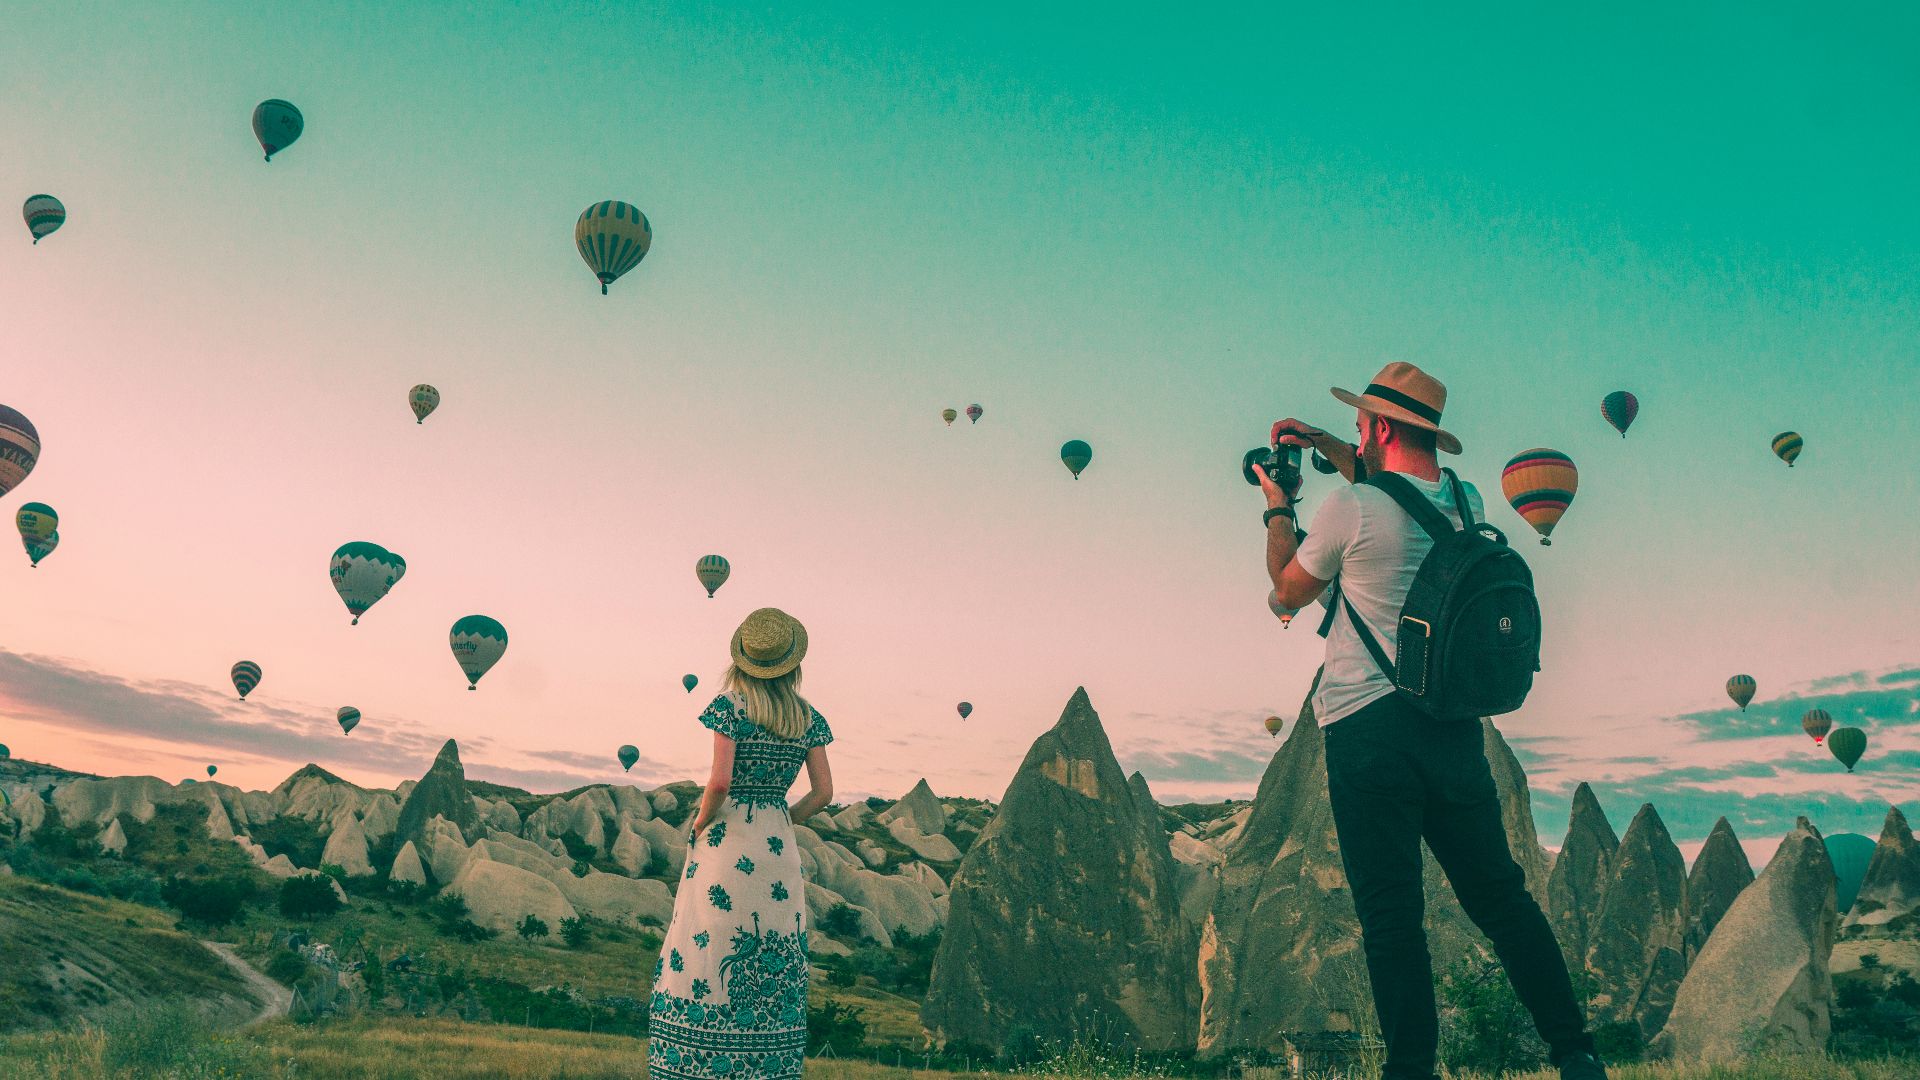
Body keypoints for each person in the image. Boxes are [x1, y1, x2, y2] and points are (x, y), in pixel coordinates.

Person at [1254, 362, 1607, 1080]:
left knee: (1391, 917)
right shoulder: (1466, 501)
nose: (1355, 439)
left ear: (1381, 427)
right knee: (1502, 899)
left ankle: (1411, 1069)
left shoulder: (1349, 509)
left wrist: (1277, 507)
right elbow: (1392, 483)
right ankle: (1575, 1053)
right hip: (1452, 728)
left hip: (1367, 730)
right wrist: (1323, 440)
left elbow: (1285, 593)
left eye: (1359, 427)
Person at [648, 607, 835, 1080]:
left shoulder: (730, 707)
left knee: (707, 941)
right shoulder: (808, 717)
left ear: (742, 659)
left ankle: (697, 1062)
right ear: (793, 662)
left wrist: (698, 824)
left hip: (728, 843)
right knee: (776, 945)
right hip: (778, 845)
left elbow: (719, 784)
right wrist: (784, 819)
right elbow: (824, 793)